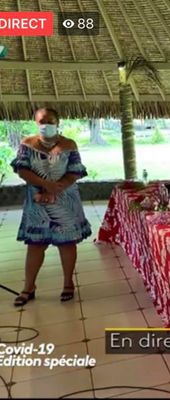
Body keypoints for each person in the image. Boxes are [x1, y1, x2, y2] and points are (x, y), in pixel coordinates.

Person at [10, 107, 92, 306]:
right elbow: (22, 170)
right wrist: (46, 185)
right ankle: (28, 287)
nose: (45, 125)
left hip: (65, 202)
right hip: (37, 204)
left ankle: (68, 283)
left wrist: (55, 190)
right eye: (41, 121)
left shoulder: (69, 145)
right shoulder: (27, 144)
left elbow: (75, 172)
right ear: (36, 123)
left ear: (58, 122)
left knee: (67, 243)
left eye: (50, 121)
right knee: (35, 245)